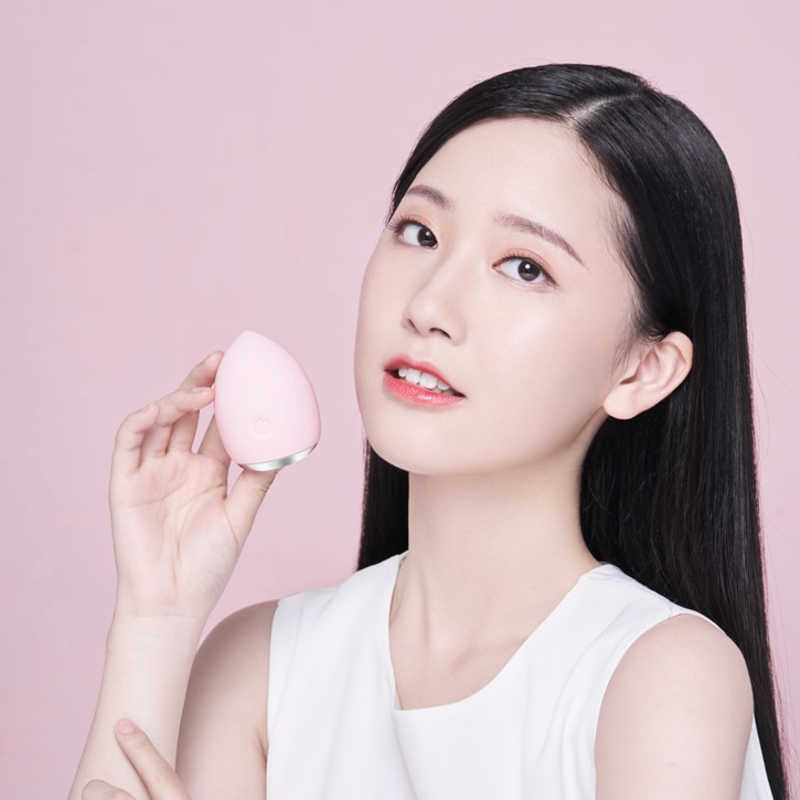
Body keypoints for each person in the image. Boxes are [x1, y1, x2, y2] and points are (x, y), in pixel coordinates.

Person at [69, 63, 787, 799]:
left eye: (524, 267)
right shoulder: (260, 669)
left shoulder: (660, 673)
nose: (429, 305)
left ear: (642, 370)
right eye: (420, 232)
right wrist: (157, 610)